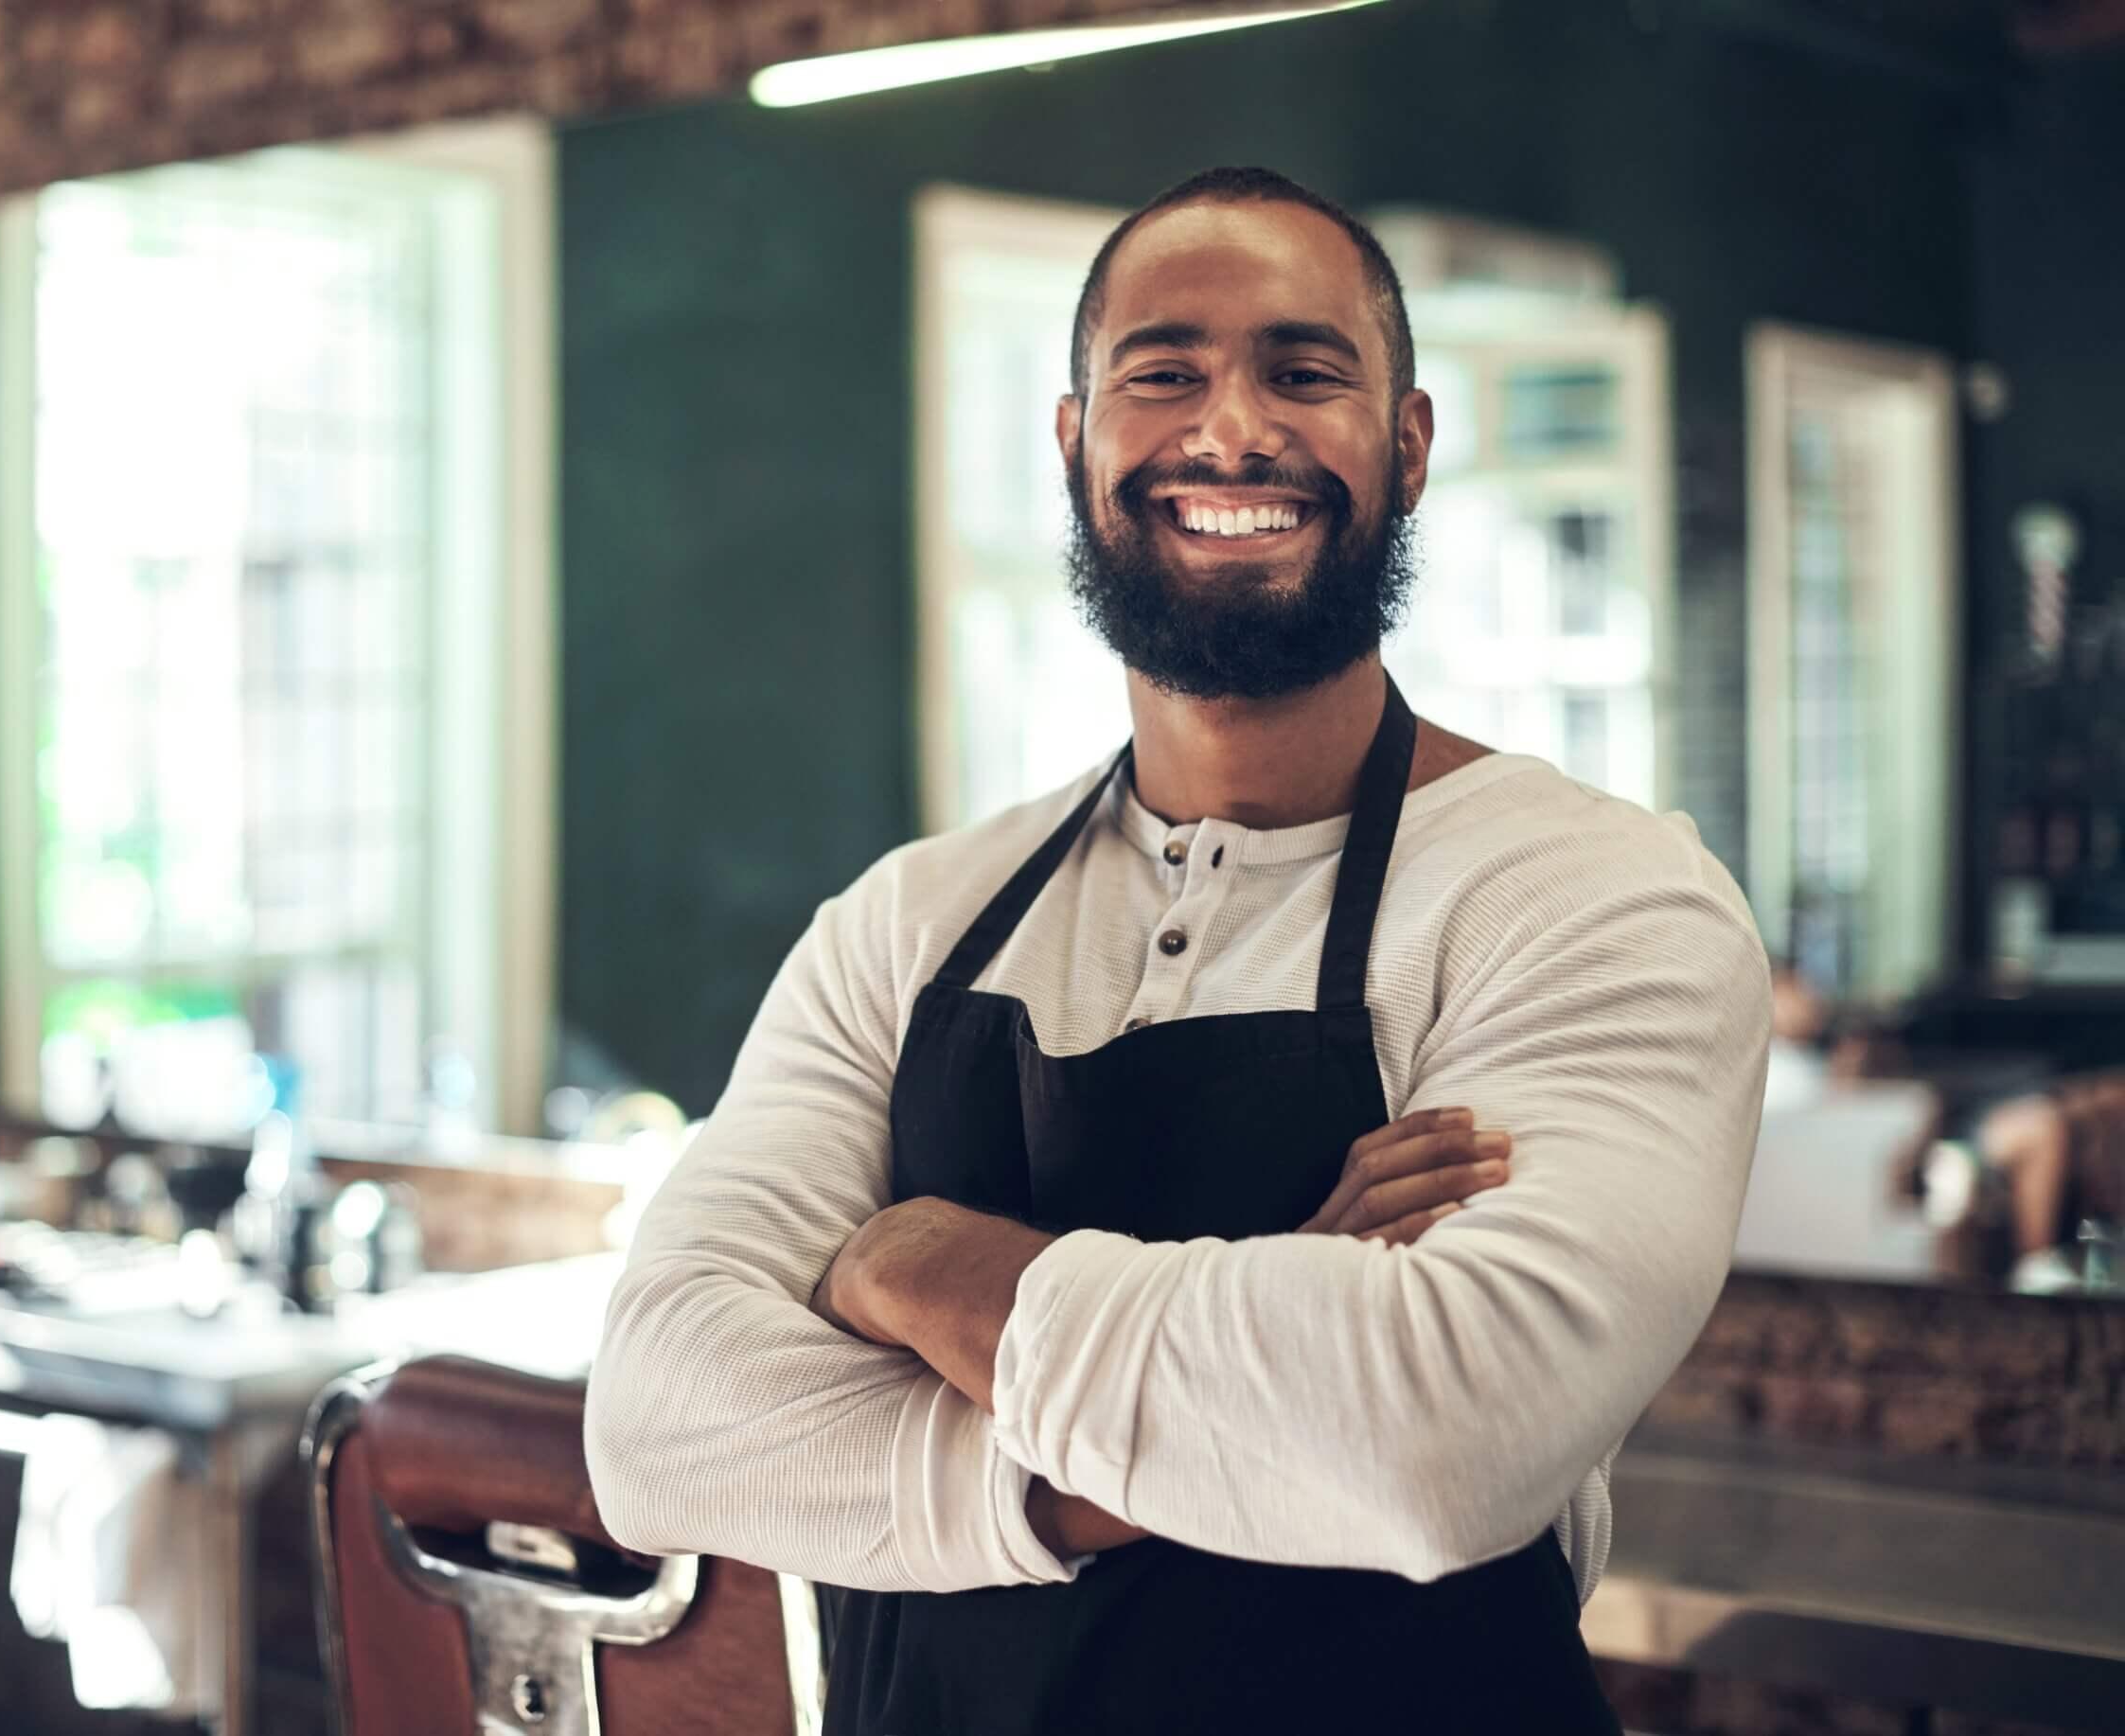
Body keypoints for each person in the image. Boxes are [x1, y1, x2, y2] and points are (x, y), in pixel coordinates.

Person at [585, 166, 1771, 1732]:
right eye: (1163, 373)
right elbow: (663, 1421)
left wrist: (910, 1259)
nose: (1231, 431)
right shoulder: (907, 921)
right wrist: (1265, 1338)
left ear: (1405, 447)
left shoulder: (1593, 899)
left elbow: (1432, 1437)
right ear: (1079, 448)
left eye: (1304, 369)